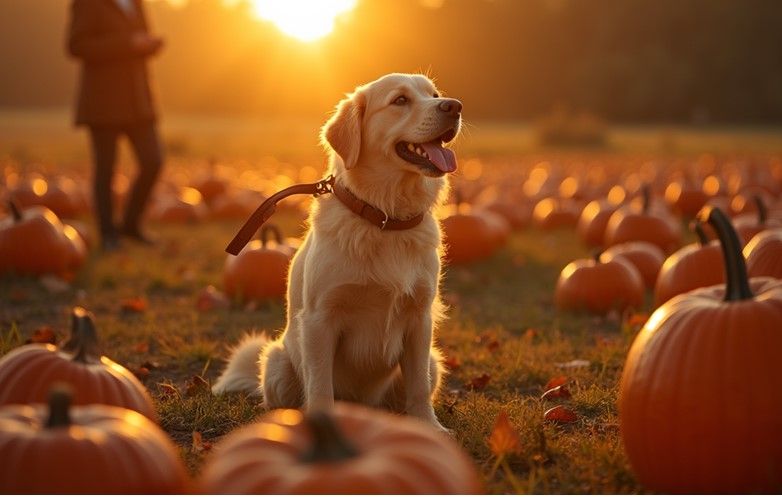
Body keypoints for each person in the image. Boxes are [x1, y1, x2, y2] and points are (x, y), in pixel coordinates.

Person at [66, 0, 165, 250]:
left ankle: (130, 224)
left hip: (137, 98)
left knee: (153, 160)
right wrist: (127, 44)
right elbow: (76, 46)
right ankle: (109, 234)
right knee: (106, 169)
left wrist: (149, 45)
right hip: (104, 99)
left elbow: (140, 37)